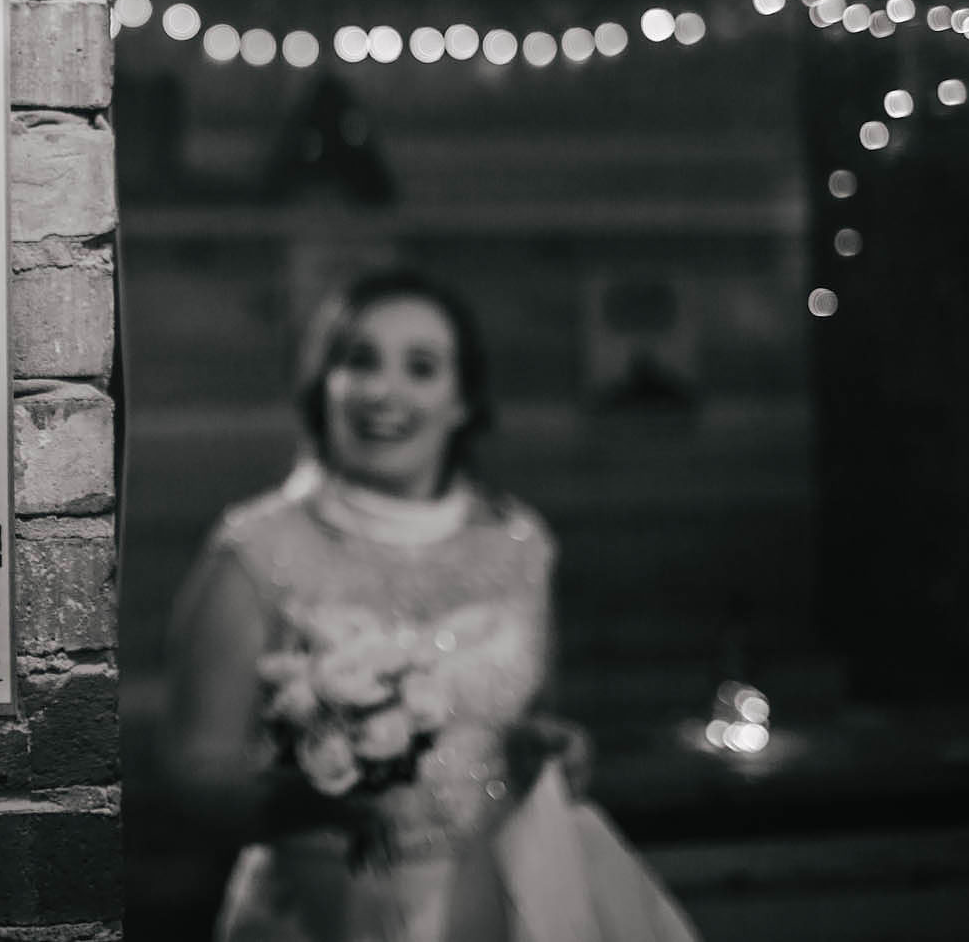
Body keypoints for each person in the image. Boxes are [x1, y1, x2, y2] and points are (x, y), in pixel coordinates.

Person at [162, 268, 698, 942]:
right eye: (359, 361)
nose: (385, 391)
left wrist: (550, 746)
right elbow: (194, 772)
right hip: (331, 907)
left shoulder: (518, 543)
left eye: (421, 367)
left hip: (514, 896)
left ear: (462, 400)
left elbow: (527, 719)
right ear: (323, 385)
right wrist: (318, 794)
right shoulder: (253, 551)